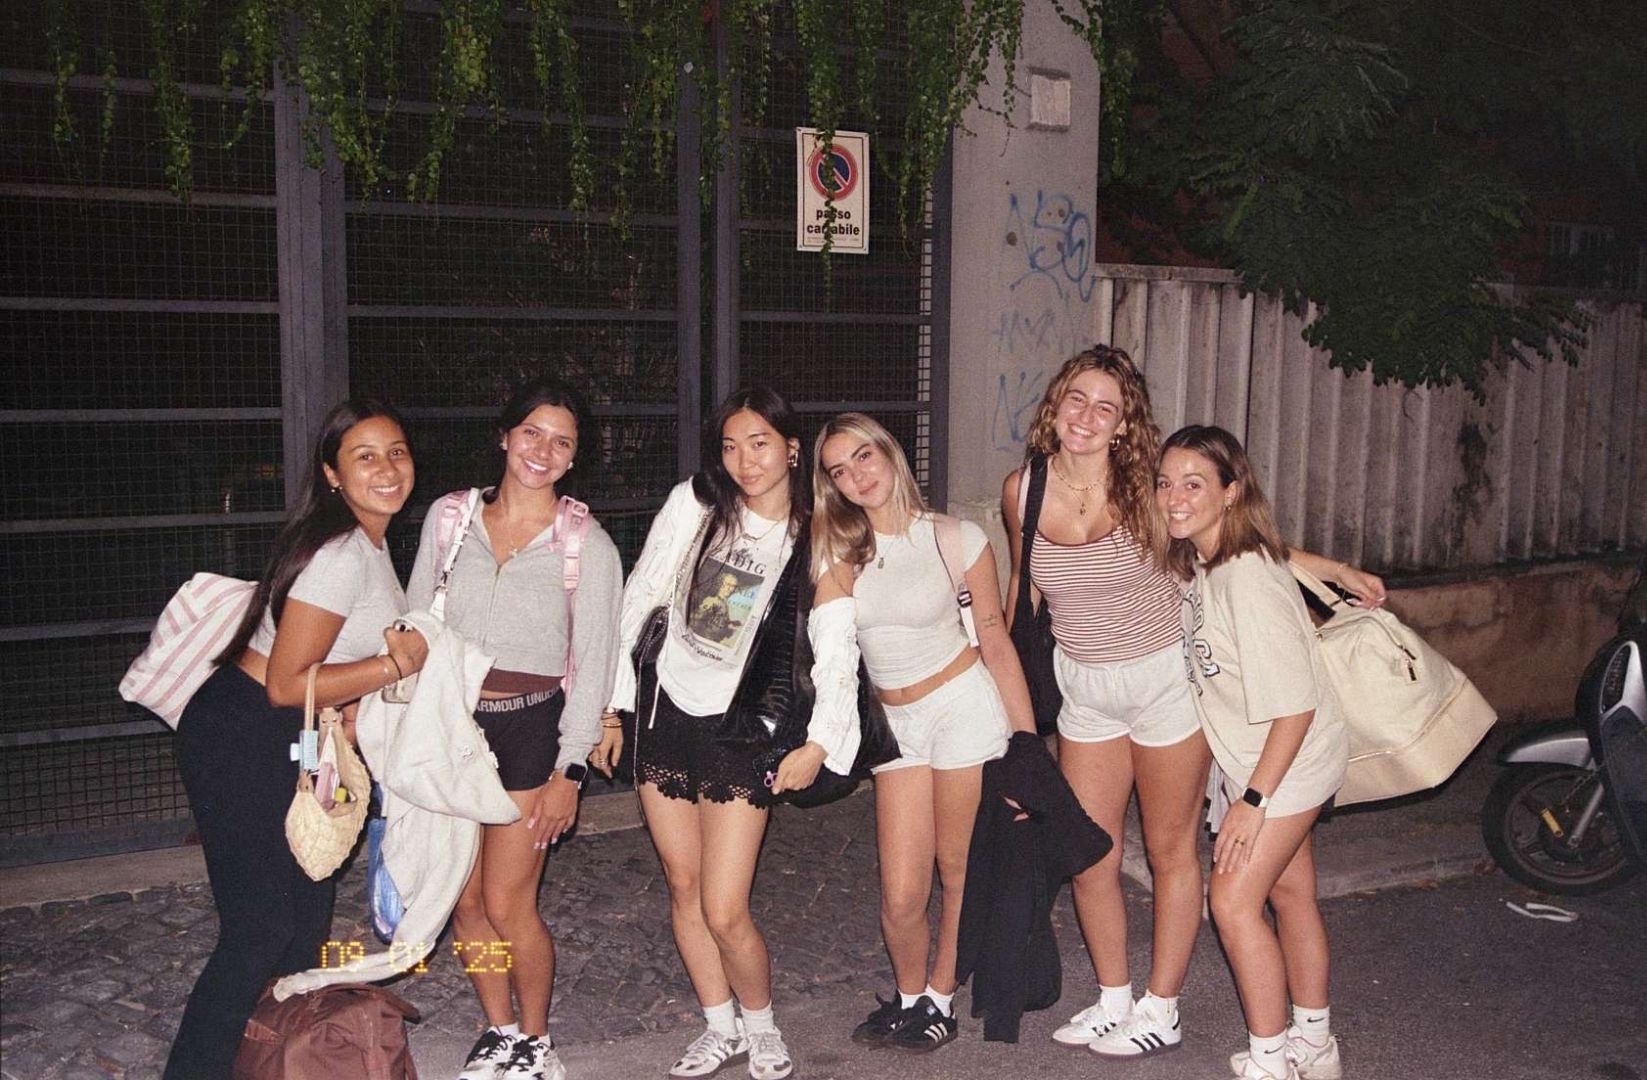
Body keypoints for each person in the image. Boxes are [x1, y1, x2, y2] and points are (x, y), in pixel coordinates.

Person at [1002, 347, 1383, 1058]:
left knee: (1171, 848)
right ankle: (1113, 997)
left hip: (1162, 683)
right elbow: (1021, 597)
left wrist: (1327, 568)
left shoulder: (1147, 489)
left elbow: (1228, 533)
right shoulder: (1021, 490)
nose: (1087, 416)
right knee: (1090, 854)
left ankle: (1162, 1004)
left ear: (1123, 425)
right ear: (1055, 404)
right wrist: (1012, 710)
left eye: (1105, 407)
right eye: (1076, 399)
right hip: (1084, 685)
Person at [598, 387, 860, 1080]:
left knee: (724, 906)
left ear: (791, 447)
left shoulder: (817, 536)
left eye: (760, 443)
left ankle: (762, 1025)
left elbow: (837, 653)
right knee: (683, 888)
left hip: (742, 728)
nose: (744, 460)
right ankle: (721, 1027)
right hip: (667, 715)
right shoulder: (697, 506)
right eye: (730, 445)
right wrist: (613, 702)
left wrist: (820, 744)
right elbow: (643, 590)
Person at [165, 399, 427, 1080]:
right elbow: (287, 681)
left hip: (292, 731)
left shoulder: (369, 542)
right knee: (258, 930)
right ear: (332, 474)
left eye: (396, 451)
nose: (386, 468)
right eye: (364, 456)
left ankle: (272, 1062)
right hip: (245, 728)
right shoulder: (340, 552)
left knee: (303, 925)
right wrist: (395, 663)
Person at [405, 379, 622, 1080]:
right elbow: (414, 626)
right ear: (504, 436)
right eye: (531, 432)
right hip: (453, 728)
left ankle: (535, 1039)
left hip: (530, 731)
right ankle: (497, 1027)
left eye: (562, 441)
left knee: (508, 901)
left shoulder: (586, 545)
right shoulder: (448, 520)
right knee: (462, 900)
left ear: (573, 458)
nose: (543, 450)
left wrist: (570, 772)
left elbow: (591, 666)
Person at [811, 412, 1035, 1051]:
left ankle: (940, 998)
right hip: (895, 727)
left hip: (962, 707)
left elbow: (994, 638)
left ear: (890, 454)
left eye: (864, 457)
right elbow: (828, 648)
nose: (856, 476)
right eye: (839, 470)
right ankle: (908, 996)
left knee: (958, 868)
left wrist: (1024, 745)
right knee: (902, 889)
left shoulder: (955, 537)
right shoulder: (838, 551)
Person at [1157, 424, 1349, 1080]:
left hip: (1285, 763)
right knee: (1291, 894)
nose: (1174, 498)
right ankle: (1315, 1046)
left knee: (1233, 903)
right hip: (1263, 756)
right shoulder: (1212, 559)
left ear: (1230, 491)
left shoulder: (1243, 578)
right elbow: (1276, 554)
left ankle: (1271, 1061)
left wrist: (1252, 802)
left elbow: (1292, 707)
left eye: (1193, 484)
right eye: (1165, 483)